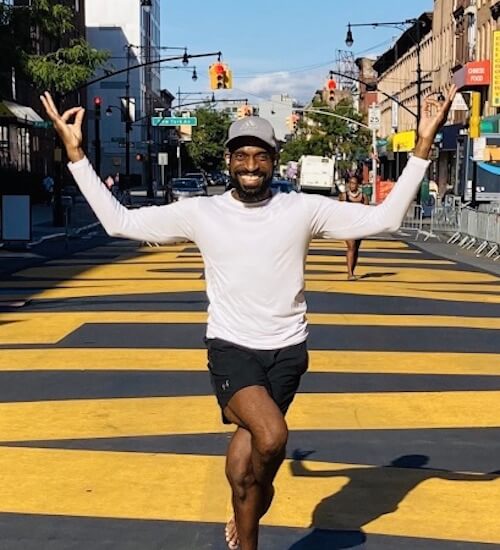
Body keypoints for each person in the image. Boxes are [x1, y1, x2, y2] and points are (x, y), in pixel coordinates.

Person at [40, 85, 456, 550]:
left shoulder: (302, 208)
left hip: (287, 354)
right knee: (273, 436)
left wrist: (423, 143)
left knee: (243, 474)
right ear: (228, 160)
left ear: (275, 160)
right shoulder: (202, 212)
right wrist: (76, 153)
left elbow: (385, 220)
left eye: (261, 156)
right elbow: (122, 223)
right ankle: (262, 499)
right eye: (242, 156)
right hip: (231, 349)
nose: (251, 165)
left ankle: (247, 523)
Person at [339, 174, 369, 280]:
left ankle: (352, 270)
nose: (352, 185)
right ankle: (350, 273)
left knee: (356, 249)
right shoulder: (344, 196)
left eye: (354, 183)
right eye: (350, 183)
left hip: (359, 226)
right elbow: (339, 211)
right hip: (348, 226)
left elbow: (367, 212)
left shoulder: (363, 197)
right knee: (351, 247)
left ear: (358, 185)